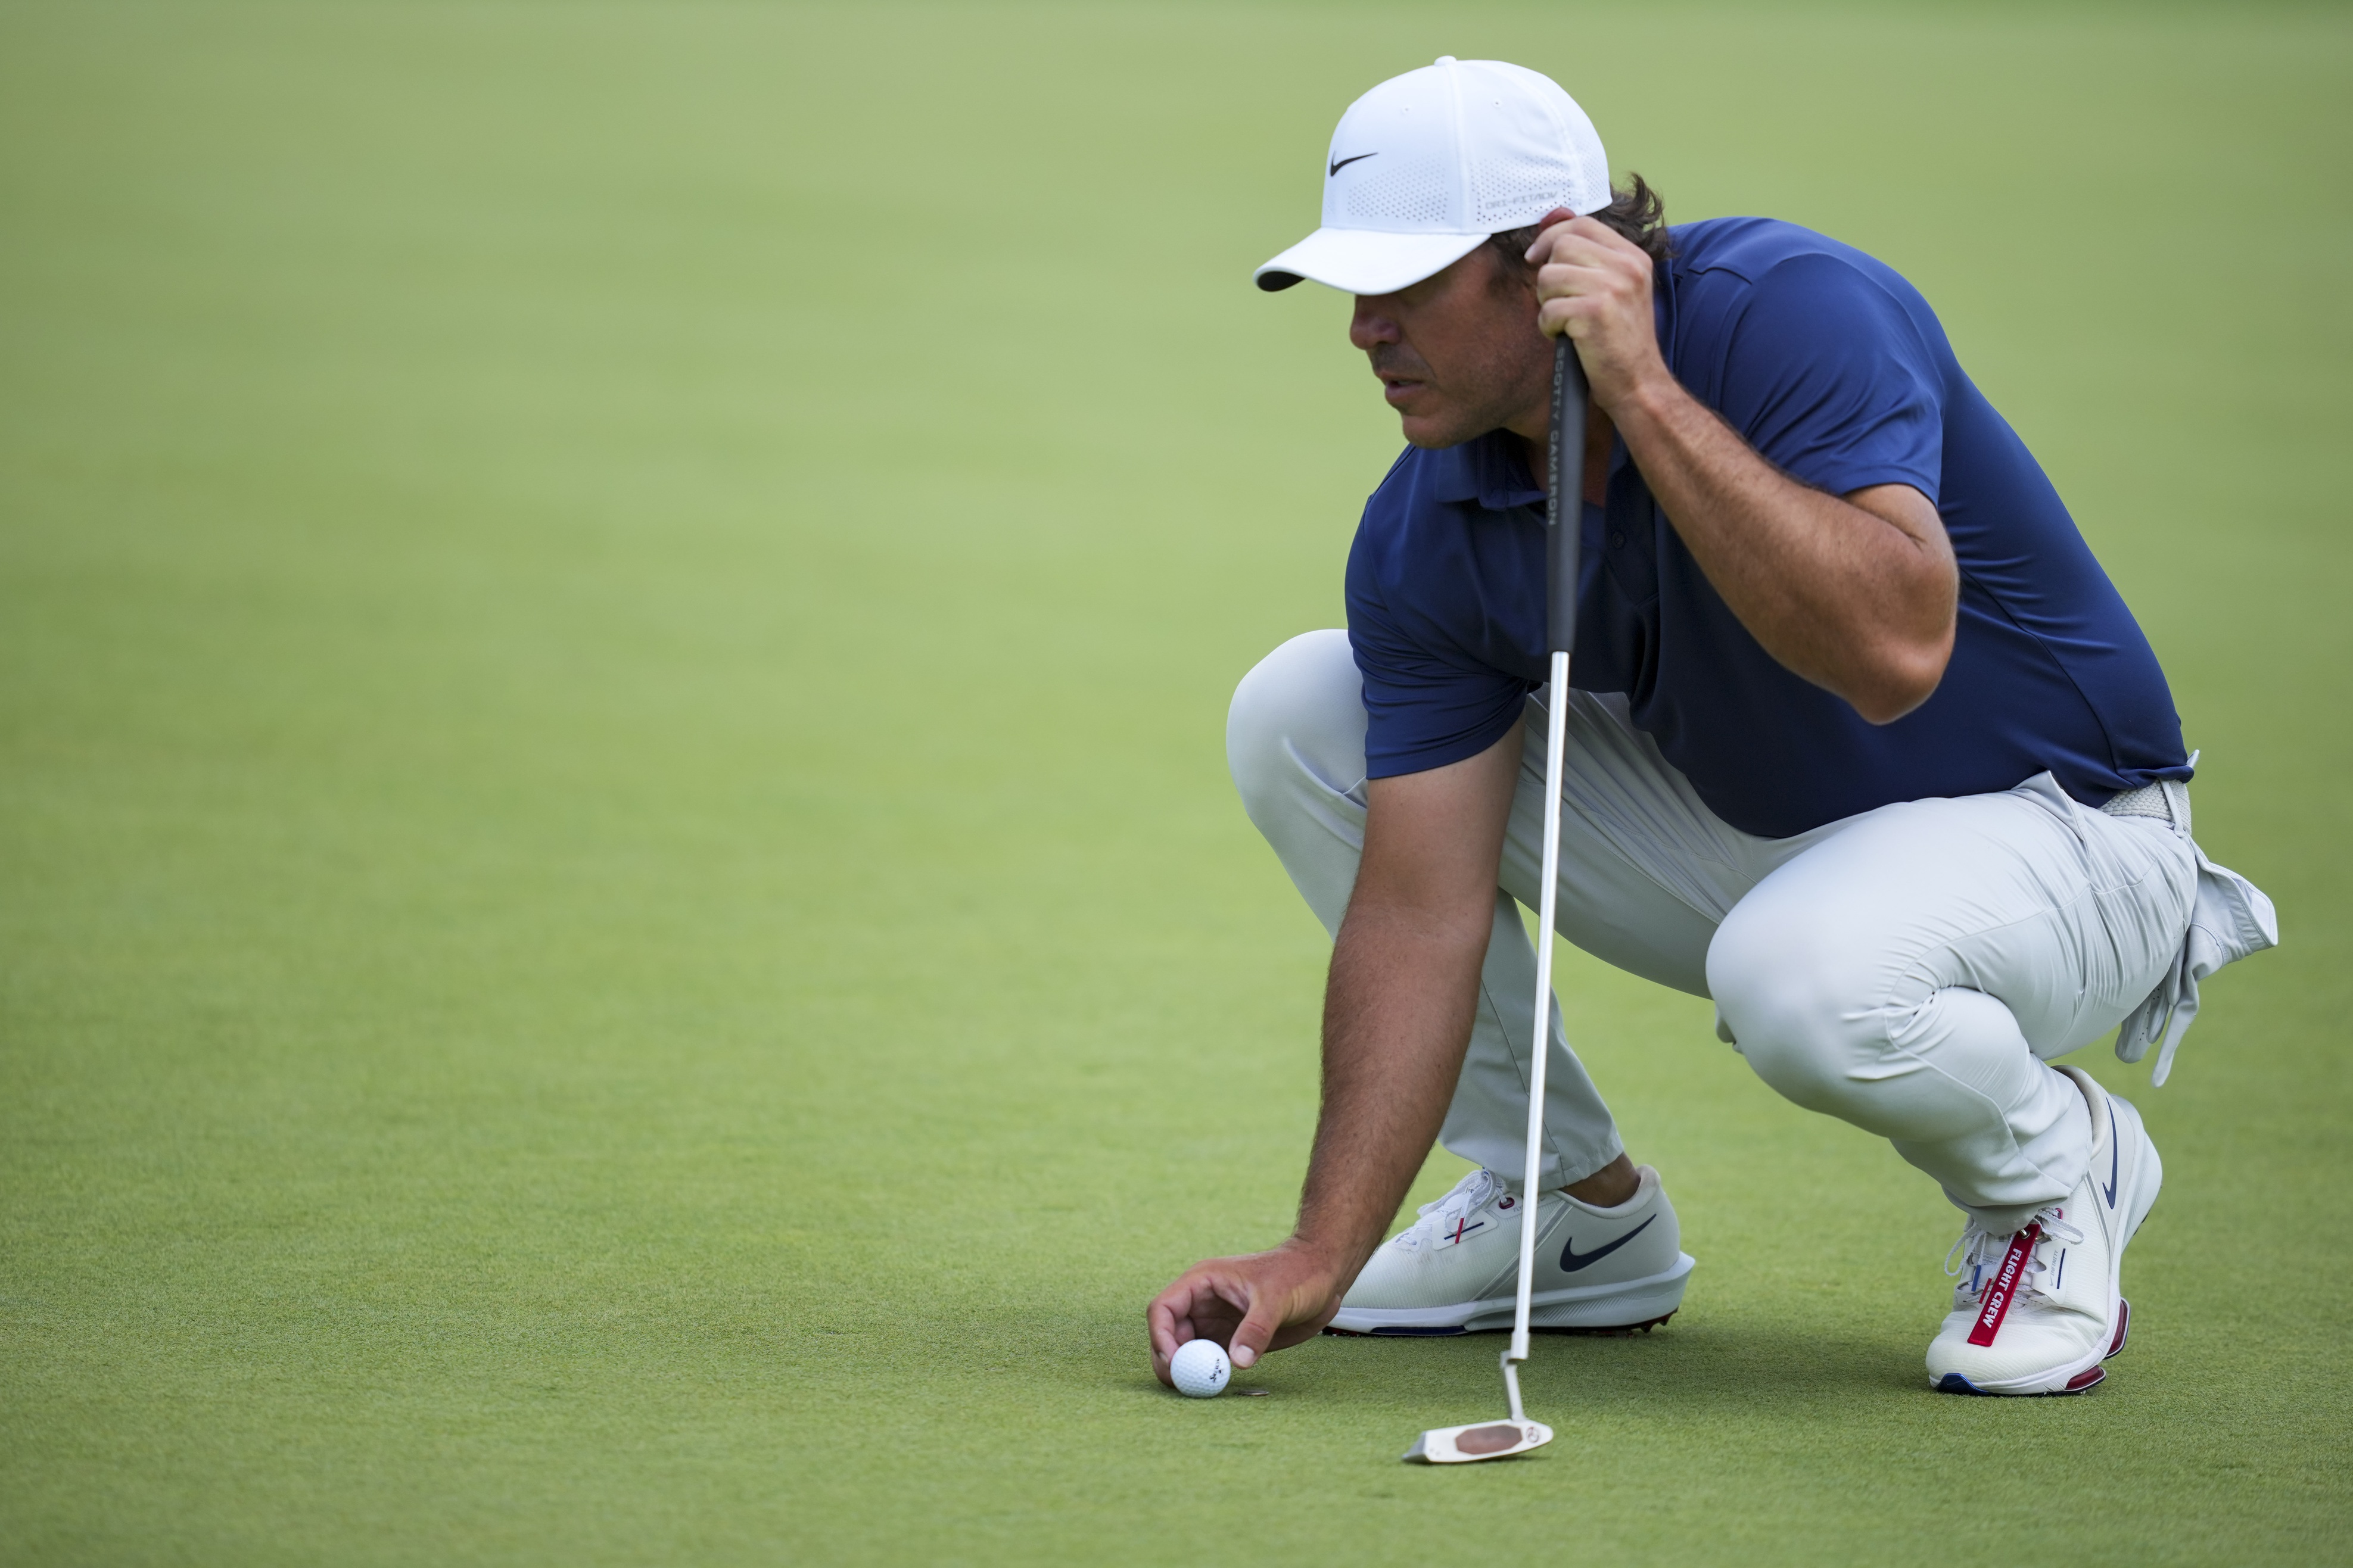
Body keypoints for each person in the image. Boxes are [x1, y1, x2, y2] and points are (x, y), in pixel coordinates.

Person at [1146, 57, 2276, 1397]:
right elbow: (1416, 911)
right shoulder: (1426, 525)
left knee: (1797, 971)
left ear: (1552, 262)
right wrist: (1319, 1250)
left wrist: (1644, 395)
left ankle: (2049, 1169)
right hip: (1788, 849)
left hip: (2074, 837)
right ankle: (1571, 1209)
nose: (1362, 328)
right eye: (1354, 287)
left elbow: (1893, 654)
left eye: (1405, 285)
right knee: (1302, 708)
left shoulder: (1785, 313)